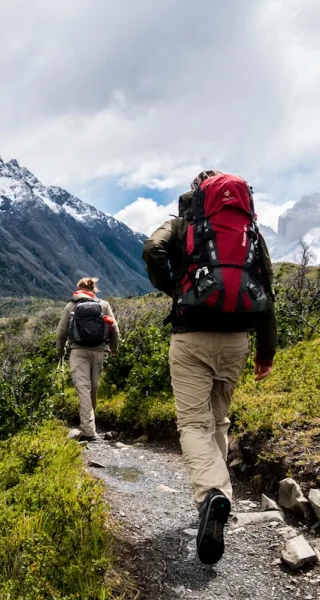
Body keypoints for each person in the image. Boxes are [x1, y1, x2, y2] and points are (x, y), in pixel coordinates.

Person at [142, 170, 277, 565]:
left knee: (193, 424)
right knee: (218, 421)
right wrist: (265, 353)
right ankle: (218, 499)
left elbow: (153, 249)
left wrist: (174, 287)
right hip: (237, 340)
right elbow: (266, 288)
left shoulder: (184, 223)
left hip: (191, 336)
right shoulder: (248, 231)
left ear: (197, 193)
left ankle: (211, 496)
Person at [56, 277, 119, 442]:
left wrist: (60, 351)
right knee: (93, 388)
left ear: (78, 288)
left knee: (83, 389)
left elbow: (61, 332)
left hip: (78, 352)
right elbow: (114, 328)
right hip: (98, 351)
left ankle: (89, 431)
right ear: (94, 289)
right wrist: (113, 348)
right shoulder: (103, 305)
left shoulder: (71, 306)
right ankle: (90, 426)